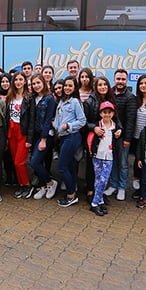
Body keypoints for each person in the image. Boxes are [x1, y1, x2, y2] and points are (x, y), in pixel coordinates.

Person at [84, 76, 118, 204]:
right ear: (95, 87)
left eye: (105, 84)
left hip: (108, 139)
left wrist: (119, 129)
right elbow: (84, 122)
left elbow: (117, 119)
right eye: (100, 85)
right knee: (91, 167)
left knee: (104, 170)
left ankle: (99, 193)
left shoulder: (112, 100)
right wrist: (94, 128)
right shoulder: (89, 101)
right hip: (93, 139)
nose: (103, 87)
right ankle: (90, 192)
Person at [53, 76, 87, 207]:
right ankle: (72, 193)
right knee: (71, 166)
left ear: (74, 88)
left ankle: (71, 194)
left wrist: (68, 126)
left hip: (72, 136)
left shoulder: (75, 102)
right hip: (63, 137)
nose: (67, 88)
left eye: (70, 86)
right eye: (65, 85)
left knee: (61, 167)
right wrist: (56, 126)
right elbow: (57, 119)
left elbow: (82, 121)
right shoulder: (62, 102)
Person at [105, 69, 136, 201]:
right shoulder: (109, 94)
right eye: (118, 79)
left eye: (123, 79)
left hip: (122, 137)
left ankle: (122, 187)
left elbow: (130, 120)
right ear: (114, 79)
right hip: (109, 135)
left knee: (123, 163)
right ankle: (113, 184)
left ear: (126, 80)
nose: (120, 81)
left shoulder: (130, 97)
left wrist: (127, 138)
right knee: (112, 162)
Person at [87, 101, 122, 216]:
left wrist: (119, 132)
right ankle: (98, 202)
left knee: (104, 180)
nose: (107, 115)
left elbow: (118, 137)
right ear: (101, 113)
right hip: (97, 156)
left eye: (109, 112)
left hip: (109, 157)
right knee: (98, 180)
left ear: (113, 113)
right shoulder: (98, 126)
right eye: (104, 112)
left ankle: (95, 202)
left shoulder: (115, 126)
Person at [27, 74, 58, 199]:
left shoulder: (49, 99)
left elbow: (48, 120)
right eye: (34, 84)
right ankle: (43, 186)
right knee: (37, 162)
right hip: (35, 134)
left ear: (44, 83)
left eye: (38, 83)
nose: (36, 86)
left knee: (34, 162)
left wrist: (44, 139)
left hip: (45, 135)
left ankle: (51, 183)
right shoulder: (33, 98)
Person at [7, 72, 32, 199]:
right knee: (14, 160)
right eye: (16, 79)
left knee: (19, 162)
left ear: (25, 81)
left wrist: (30, 138)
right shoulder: (9, 96)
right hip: (12, 131)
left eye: (20, 79)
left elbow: (31, 119)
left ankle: (27, 185)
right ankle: (21, 184)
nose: (18, 82)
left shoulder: (29, 98)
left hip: (23, 132)